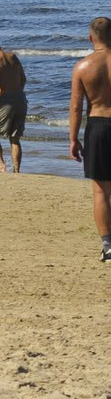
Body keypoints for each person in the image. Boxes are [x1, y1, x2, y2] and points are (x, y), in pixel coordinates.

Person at [68, 16, 111, 262]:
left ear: (90, 38)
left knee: (101, 191)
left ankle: (108, 246)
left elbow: (75, 108)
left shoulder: (82, 67)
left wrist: (73, 140)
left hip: (98, 126)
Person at [0, 36, 27, 173]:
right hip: (20, 98)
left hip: (5, 100)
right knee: (14, 138)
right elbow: (23, 79)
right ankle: (17, 170)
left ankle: (2, 166)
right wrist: (17, 93)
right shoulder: (13, 56)